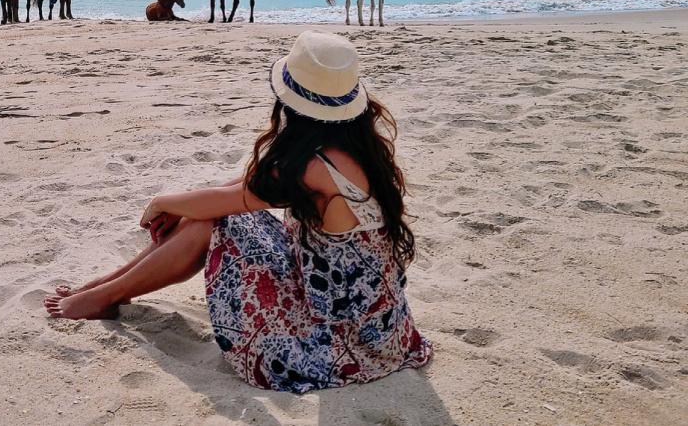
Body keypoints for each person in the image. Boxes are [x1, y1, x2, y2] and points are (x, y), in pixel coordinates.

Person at [44, 30, 432, 392]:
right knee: (213, 212)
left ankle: (107, 294)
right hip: (380, 325)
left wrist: (163, 202)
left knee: (212, 222)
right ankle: (108, 287)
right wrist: (181, 203)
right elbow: (240, 187)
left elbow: (230, 201)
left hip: (336, 337)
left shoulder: (314, 169)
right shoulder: (354, 147)